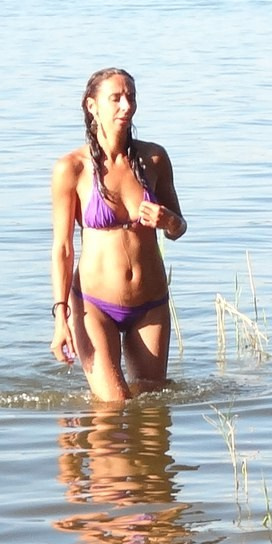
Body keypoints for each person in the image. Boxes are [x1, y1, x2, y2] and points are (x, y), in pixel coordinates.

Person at [51, 67, 186, 401]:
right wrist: (60, 318)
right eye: (116, 98)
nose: (126, 106)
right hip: (94, 307)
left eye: (131, 97)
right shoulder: (72, 168)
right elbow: (63, 250)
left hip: (151, 305)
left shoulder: (154, 158)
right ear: (92, 106)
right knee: (115, 408)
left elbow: (178, 228)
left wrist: (168, 220)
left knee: (153, 407)